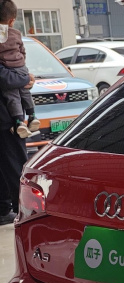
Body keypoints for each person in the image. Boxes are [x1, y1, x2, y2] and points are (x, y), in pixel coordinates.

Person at [0, 52, 32, 225]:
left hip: (6, 118)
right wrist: (25, 77)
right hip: (6, 120)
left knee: (7, 168)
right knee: (16, 166)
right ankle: (23, 210)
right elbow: (5, 78)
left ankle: (4, 209)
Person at [0, 0, 38, 138]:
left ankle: (20, 122)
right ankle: (32, 116)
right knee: (24, 93)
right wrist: (26, 76)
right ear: (12, 20)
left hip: (11, 69)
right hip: (21, 68)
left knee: (13, 97)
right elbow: (6, 79)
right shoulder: (16, 33)